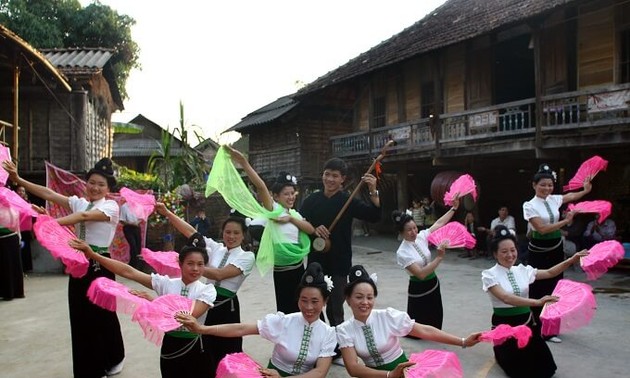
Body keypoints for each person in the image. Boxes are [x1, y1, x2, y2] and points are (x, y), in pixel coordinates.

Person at [3, 158, 125, 377]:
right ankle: (88, 369)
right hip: (78, 263)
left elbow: (85, 217)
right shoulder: (80, 202)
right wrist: (18, 179)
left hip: (100, 263)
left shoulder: (110, 206)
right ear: (86, 183)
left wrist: (52, 223)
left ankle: (113, 358)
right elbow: (49, 194)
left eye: (101, 184)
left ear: (108, 189)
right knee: (79, 316)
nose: (95, 187)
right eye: (92, 182)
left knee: (102, 316)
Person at [70, 233, 217, 378]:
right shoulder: (166, 284)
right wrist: (93, 255)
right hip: (170, 346)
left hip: (197, 347)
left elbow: (189, 315)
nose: (196, 269)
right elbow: (129, 272)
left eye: (200, 264)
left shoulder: (207, 290)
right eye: (190, 263)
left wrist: (153, 302)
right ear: (180, 264)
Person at [177, 262, 336, 377]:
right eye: (304, 300)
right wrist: (202, 329)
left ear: (325, 301)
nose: (308, 307)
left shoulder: (328, 333)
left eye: (315, 301)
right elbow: (242, 329)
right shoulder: (284, 321)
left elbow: (320, 371)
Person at [155, 203, 255, 376]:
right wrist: (166, 212)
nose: (231, 236)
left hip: (225, 306)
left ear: (243, 235)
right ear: (222, 233)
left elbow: (219, 275)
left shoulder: (247, 256)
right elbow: (190, 233)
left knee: (227, 347)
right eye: (228, 232)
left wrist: (189, 266)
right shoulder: (215, 248)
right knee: (203, 346)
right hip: (202, 301)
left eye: (236, 233)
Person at [481, 225, 589, 378]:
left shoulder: (522, 270)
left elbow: (550, 272)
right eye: (504, 251)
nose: (510, 255)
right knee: (518, 370)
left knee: (546, 368)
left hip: (526, 323)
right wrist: (538, 302)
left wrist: (571, 259)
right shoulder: (489, 275)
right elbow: (506, 298)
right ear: (495, 254)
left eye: (513, 250)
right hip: (505, 325)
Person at [336, 265, 481, 378]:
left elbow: (425, 331)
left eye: (370, 297)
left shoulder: (387, 316)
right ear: (348, 299)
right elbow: (353, 369)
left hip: (404, 372)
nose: (365, 302)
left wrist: (463, 341)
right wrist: (388, 375)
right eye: (359, 297)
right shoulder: (345, 330)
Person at [225, 145, 315, 314]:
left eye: (292, 193)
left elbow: (310, 230)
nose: (290, 197)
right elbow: (260, 186)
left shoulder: (294, 213)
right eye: (286, 194)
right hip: (281, 271)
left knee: (303, 309)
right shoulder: (273, 209)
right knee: (285, 311)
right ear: (276, 196)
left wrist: (290, 219)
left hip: (298, 269)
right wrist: (244, 162)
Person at [300, 157, 381, 331]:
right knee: (312, 305)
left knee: (336, 308)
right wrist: (313, 229)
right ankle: (318, 337)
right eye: (327, 174)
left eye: (335, 176)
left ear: (342, 179)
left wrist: (373, 190)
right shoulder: (310, 201)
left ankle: (339, 344)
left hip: (340, 262)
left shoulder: (348, 200)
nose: (330, 179)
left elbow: (374, 216)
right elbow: (299, 223)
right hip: (316, 261)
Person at [522, 163, 591, 343]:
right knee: (537, 287)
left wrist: (585, 190)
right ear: (534, 185)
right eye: (543, 184)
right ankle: (536, 325)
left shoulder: (554, 199)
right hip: (538, 249)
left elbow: (570, 196)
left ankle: (551, 328)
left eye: (550, 185)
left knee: (555, 286)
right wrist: (565, 221)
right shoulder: (529, 205)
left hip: (555, 248)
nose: (547, 188)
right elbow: (542, 229)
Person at [391, 196, 460, 331]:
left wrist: (453, 208)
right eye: (409, 230)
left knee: (435, 319)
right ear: (401, 233)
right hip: (419, 287)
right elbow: (421, 274)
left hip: (433, 283)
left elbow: (439, 223)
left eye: (414, 228)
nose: (414, 232)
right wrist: (439, 258)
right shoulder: (402, 252)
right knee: (420, 325)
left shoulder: (421, 236)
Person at [16, 185, 34, 273]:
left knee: (26, 249)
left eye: (23, 191)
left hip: (26, 229)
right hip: (16, 229)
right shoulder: (13, 202)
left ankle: (26, 268)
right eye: (19, 191)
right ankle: (19, 268)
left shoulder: (28, 203)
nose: (21, 192)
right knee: (18, 249)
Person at [119, 200, 142, 268]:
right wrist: (131, 223)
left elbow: (141, 217)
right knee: (133, 245)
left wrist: (137, 222)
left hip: (137, 227)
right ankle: (133, 265)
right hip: (128, 228)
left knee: (138, 246)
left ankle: (137, 265)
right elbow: (122, 220)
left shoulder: (138, 206)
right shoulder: (124, 206)